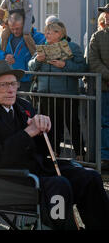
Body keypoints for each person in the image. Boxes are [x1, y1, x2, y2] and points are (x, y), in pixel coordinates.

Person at [0, 60, 109, 229]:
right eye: (4, 85)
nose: (11, 89)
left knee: (89, 177)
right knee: (59, 185)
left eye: (13, 83)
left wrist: (44, 127)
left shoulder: (23, 106)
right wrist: (28, 133)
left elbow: (43, 149)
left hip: (37, 168)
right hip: (8, 178)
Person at [28, 21, 87, 157]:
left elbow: (83, 68)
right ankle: (52, 154)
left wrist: (64, 65)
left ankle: (80, 154)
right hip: (46, 95)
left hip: (66, 94)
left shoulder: (73, 47)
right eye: (46, 31)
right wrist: (37, 60)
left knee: (72, 124)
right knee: (50, 126)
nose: (46, 34)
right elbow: (30, 67)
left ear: (60, 34)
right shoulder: (42, 48)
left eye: (50, 31)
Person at [0, 12, 45, 91]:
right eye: (12, 29)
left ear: (25, 25)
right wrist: (4, 56)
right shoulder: (6, 37)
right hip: (10, 79)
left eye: (18, 28)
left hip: (28, 80)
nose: (15, 31)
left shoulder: (37, 36)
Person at [87, 3, 109, 171]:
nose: (106, 16)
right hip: (104, 88)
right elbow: (93, 62)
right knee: (104, 123)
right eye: (106, 14)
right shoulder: (97, 36)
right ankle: (105, 158)